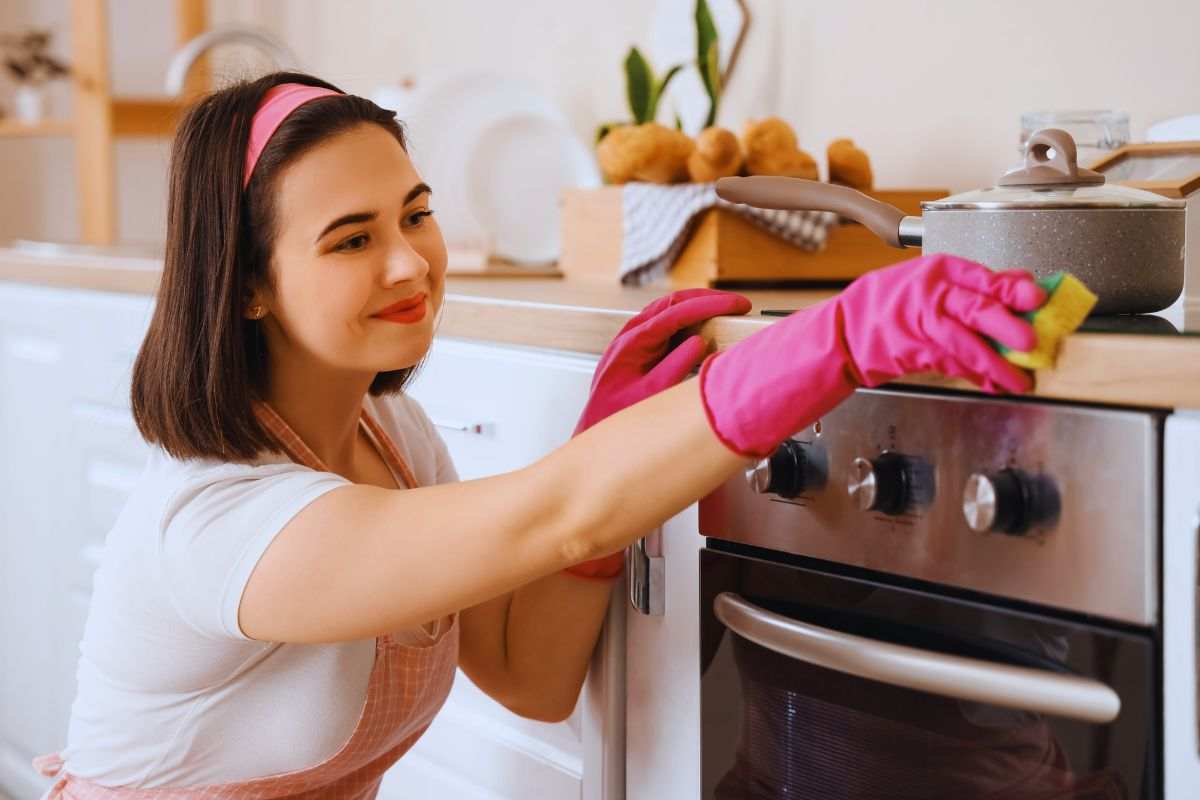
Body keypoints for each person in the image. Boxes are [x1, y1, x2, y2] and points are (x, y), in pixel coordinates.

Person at [32, 72, 1045, 798]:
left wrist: (610, 452)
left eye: (414, 214)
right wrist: (835, 340)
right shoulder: (217, 519)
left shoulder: (394, 437)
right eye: (352, 239)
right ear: (245, 284)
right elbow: (559, 511)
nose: (408, 265)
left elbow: (529, 674)